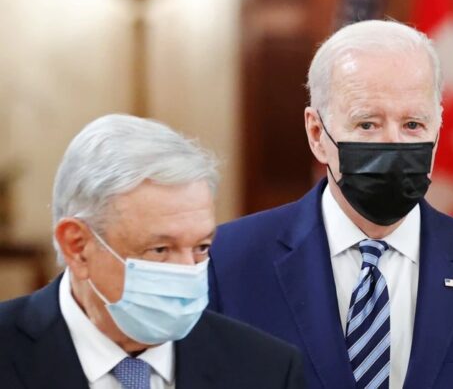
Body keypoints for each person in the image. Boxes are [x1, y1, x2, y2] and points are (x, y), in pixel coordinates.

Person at [208, 20, 453, 389]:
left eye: (413, 124)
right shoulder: (229, 262)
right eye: (367, 124)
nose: (394, 143)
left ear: (438, 128)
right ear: (316, 133)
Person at [0, 115, 304, 389]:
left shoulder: (266, 369)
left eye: (201, 247)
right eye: (160, 249)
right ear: (77, 247)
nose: (188, 271)